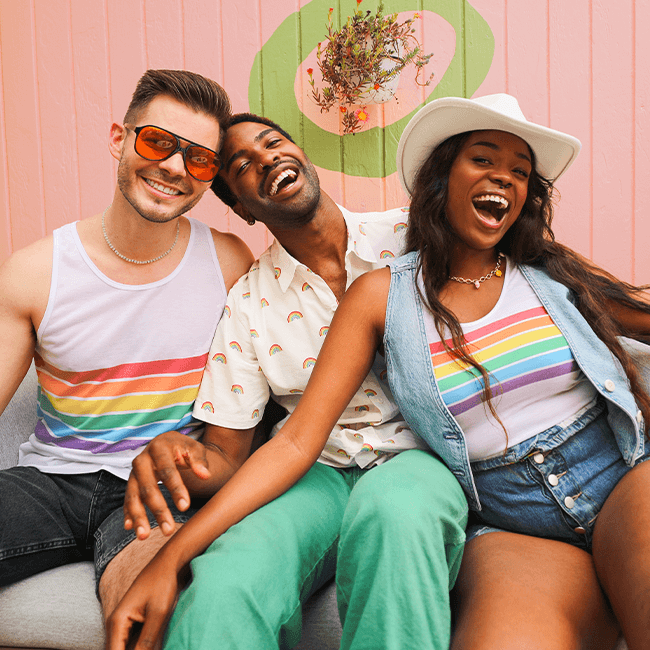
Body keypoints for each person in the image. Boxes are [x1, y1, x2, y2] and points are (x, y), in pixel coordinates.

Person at [106, 113, 469, 650]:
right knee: (225, 585)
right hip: (313, 474)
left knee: (395, 516)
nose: (267, 158)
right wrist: (178, 455)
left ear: (302, 153)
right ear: (242, 209)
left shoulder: (414, 234)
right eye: (243, 166)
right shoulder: (249, 302)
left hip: (415, 460)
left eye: (273, 143)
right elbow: (228, 456)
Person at [0, 69, 254, 620]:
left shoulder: (231, 263)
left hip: (163, 487)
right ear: (120, 138)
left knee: (146, 609)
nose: (173, 168)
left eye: (199, 158)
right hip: (51, 480)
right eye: (158, 142)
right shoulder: (33, 271)